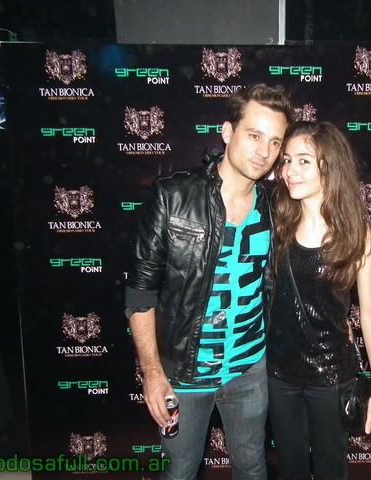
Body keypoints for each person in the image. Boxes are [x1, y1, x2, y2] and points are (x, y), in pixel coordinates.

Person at [124, 83, 293, 480]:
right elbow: (140, 294)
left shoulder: (277, 206)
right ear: (227, 132)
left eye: (274, 142)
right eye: (254, 135)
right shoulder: (172, 197)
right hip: (183, 375)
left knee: (252, 466)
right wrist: (152, 373)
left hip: (249, 368)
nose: (264, 152)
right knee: (181, 470)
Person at [266, 121, 371, 480]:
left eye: (304, 161)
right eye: (287, 160)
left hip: (330, 374)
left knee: (331, 470)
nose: (289, 170)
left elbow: (369, 313)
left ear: (329, 166)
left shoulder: (358, 234)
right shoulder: (275, 222)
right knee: (290, 469)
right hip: (278, 372)